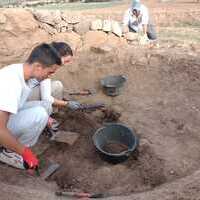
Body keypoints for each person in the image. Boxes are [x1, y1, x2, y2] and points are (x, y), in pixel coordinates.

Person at [0, 43, 80, 170]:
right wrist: (25, 152)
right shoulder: (11, 82)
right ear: (38, 67)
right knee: (39, 114)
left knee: (44, 106)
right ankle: (8, 152)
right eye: (49, 72)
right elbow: (0, 130)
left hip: (6, 119)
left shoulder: (23, 73)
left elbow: (43, 100)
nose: (50, 76)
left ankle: (16, 144)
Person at [27, 42, 80, 132]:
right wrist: (67, 104)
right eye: (66, 61)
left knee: (57, 85)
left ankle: (51, 114)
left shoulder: (47, 60)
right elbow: (46, 98)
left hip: (31, 90)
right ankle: (41, 120)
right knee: (46, 103)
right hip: (25, 98)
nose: (67, 64)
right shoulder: (46, 65)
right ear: (58, 56)